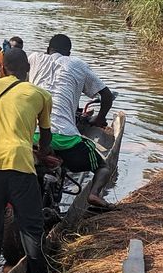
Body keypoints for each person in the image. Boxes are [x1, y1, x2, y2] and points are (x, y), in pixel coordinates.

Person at [0, 48, 53, 273]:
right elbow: (46, 135)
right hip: (20, 163)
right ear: (28, 69)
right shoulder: (40, 94)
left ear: (2, 68)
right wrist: (41, 153)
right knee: (31, 225)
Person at [27, 34, 116, 208]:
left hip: (32, 137)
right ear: (68, 53)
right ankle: (94, 195)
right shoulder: (78, 64)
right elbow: (106, 95)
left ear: (47, 50)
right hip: (66, 139)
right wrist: (99, 118)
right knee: (103, 167)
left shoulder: (34, 58)